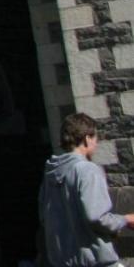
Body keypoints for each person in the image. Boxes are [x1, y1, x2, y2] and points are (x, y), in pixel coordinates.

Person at [39, 112, 134, 267]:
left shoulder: (50, 174)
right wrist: (125, 219)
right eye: (95, 138)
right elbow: (97, 217)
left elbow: (45, 218)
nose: (96, 145)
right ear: (86, 139)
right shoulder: (87, 170)